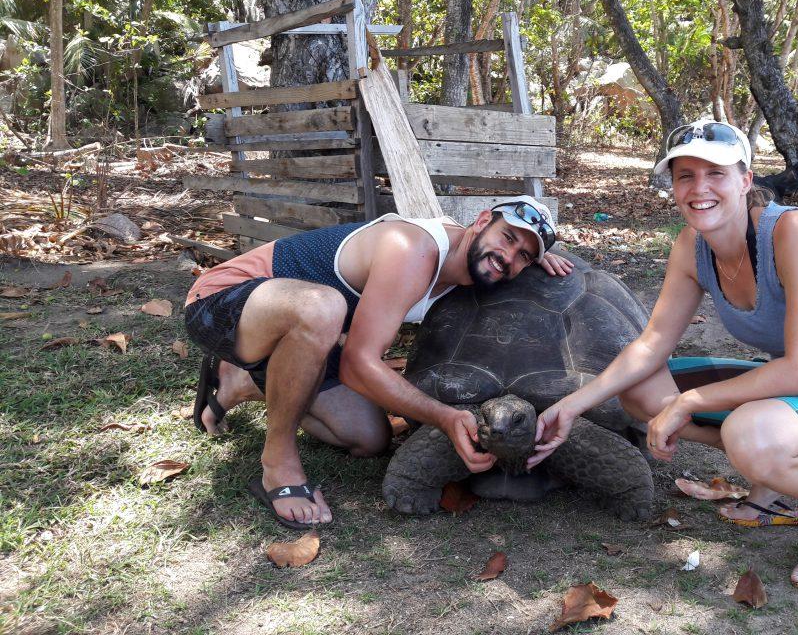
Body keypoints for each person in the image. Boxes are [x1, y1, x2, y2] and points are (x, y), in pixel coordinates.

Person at [529, 121, 798, 594]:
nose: (699, 188)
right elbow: (651, 344)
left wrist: (690, 401)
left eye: (716, 172)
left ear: (746, 179)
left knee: (747, 432)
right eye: (684, 175)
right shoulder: (693, 247)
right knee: (642, 389)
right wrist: (571, 405)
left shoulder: (796, 231)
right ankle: (777, 479)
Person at [183, 196, 572, 530]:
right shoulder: (412, 248)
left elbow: (499, 254)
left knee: (369, 439)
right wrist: (445, 416)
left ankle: (241, 379)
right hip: (225, 302)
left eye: (524, 254)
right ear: (483, 220)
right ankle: (278, 461)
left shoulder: (470, 264)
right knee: (323, 306)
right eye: (507, 237)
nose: (508, 257)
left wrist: (537, 256)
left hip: (309, 339)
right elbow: (357, 364)